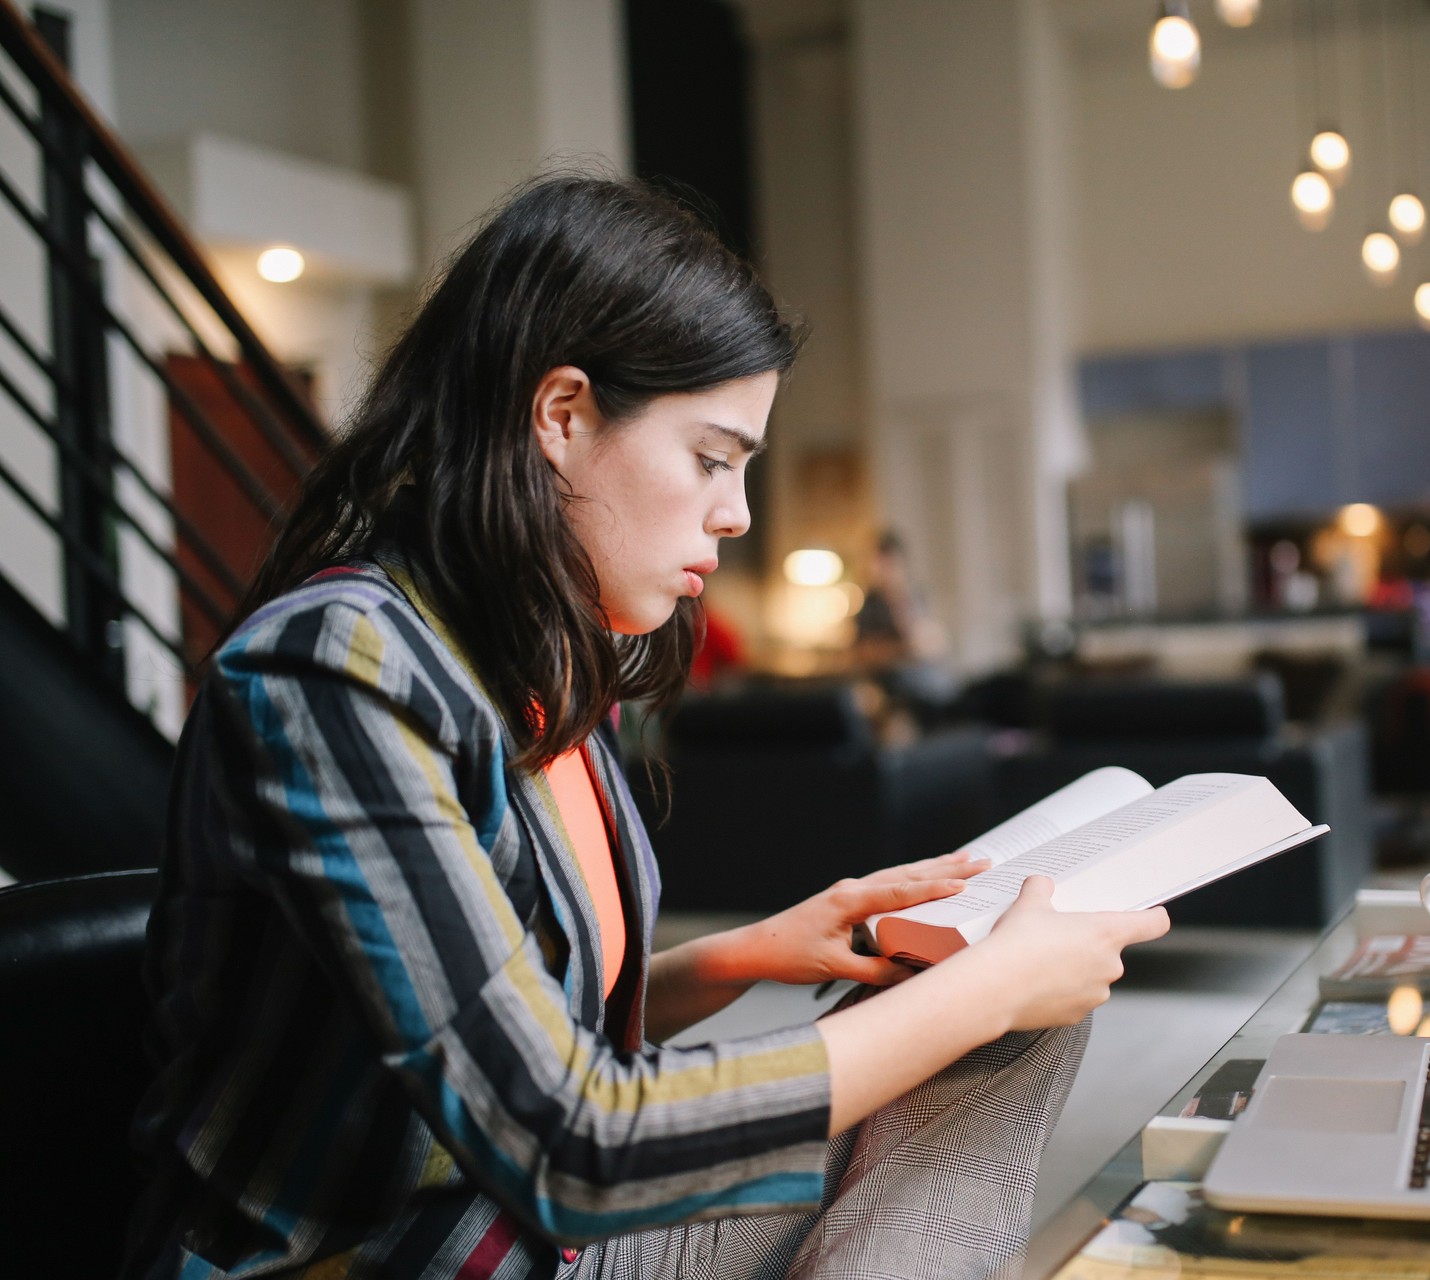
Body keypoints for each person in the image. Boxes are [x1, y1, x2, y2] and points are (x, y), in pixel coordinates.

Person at [124, 175, 1168, 1280]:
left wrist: (746, 951)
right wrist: (985, 980)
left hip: (542, 1238)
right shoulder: (337, 668)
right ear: (562, 415)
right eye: (713, 458)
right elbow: (572, 1144)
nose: (738, 512)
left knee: (1008, 1023)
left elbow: (508, 1005)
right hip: (408, 1253)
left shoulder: (541, 660)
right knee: (989, 998)